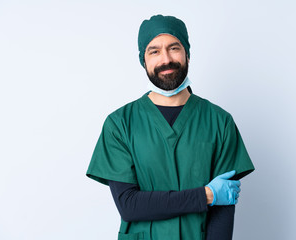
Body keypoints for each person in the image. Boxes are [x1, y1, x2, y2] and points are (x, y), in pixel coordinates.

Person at [86, 14, 255, 240]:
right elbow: (129, 205)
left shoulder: (219, 122)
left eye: (174, 48)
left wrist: (213, 198)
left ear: (187, 53)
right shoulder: (120, 124)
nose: (165, 59)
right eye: (154, 51)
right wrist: (205, 195)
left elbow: (222, 213)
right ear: (143, 60)